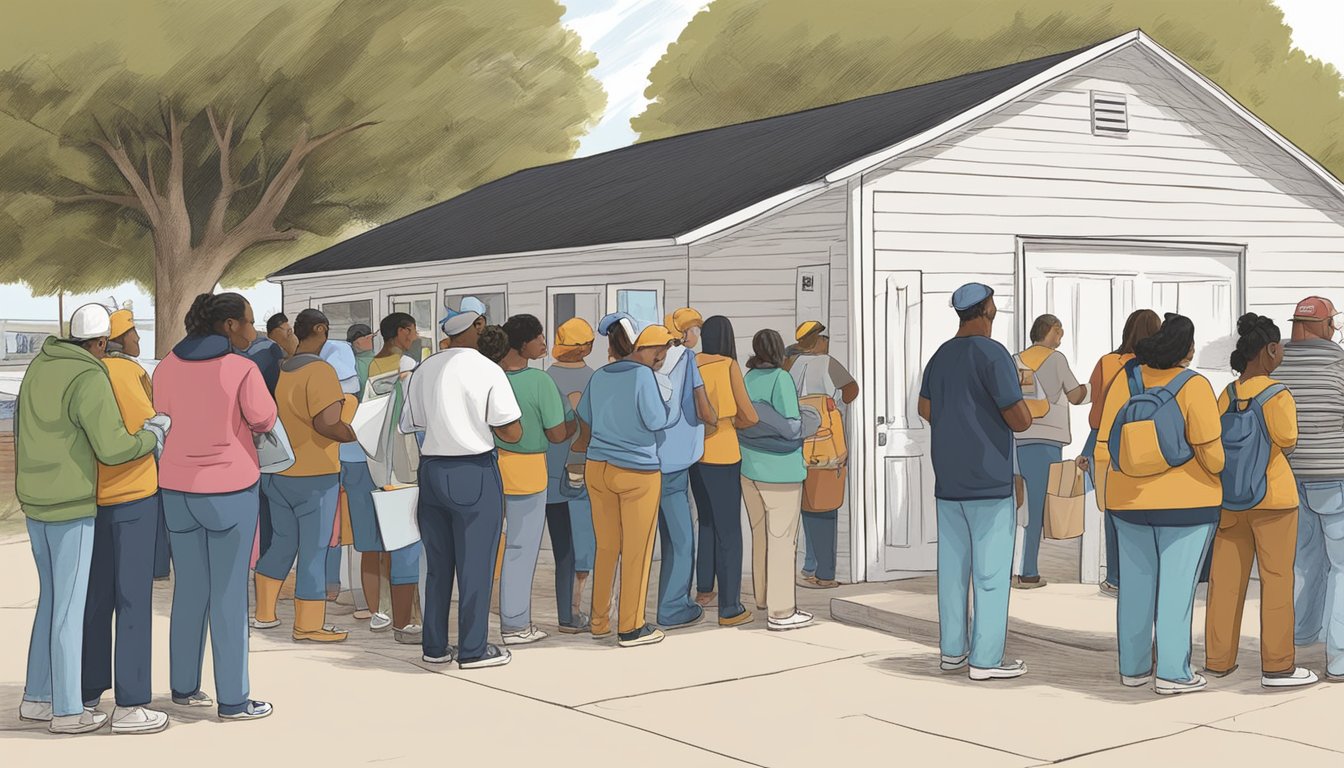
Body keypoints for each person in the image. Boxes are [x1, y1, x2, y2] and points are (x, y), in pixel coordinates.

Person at [16, 303, 159, 735]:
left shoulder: (41, 366)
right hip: (71, 502)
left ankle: (37, 699)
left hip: (35, 501)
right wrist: (152, 436)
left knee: (50, 602)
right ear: (100, 343)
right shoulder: (89, 375)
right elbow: (113, 448)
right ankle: (67, 712)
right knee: (69, 608)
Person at [154, 292, 276, 721]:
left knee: (189, 591)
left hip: (175, 490)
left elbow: (161, 418)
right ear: (228, 326)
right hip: (229, 488)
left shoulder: (166, 366)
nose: (253, 329)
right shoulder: (241, 368)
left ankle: (184, 688)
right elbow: (263, 419)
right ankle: (234, 700)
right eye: (248, 321)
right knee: (227, 595)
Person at [1097, 313, 1221, 695]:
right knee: (1176, 590)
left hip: (1127, 500)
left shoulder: (1126, 379)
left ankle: (1132, 669)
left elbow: (1105, 443)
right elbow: (1213, 457)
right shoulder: (1195, 385)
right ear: (1186, 349)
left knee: (1135, 588)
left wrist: (1107, 498)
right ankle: (1172, 672)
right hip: (1187, 505)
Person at [917, 283, 1031, 681]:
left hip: (948, 480)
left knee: (951, 573)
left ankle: (952, 653)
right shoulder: (993, 354)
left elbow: (925, 408)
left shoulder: (941, 356)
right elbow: (1019, 419)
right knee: (991, 574)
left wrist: (958, 422)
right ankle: (985, 660)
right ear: (985, 310)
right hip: (989, 479)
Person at [400, 308, 522, 669]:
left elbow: (412, 423)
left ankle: (435, 647)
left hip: (432, 470)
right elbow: (511, 430)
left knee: (438, 566)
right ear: (476, 329)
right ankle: (473, 650)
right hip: (473, 470)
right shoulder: (487, 369)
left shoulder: (425, 369)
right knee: (476, 565)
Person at [1203, 314, 1316, 688]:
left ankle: (1218, 660)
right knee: (1277, 580)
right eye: (1279, 346)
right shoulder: (1278, 393)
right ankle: (1278, 666)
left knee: (1226, 582)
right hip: (1274, 500)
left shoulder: (1228, 394)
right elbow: (1288, 439)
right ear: (1269, 350)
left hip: (1231, 501)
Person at [82, 309, 169, 734]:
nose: (139, 339)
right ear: (119, 339)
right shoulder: (127, 372)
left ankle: (87, 691)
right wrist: (159, 429)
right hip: (133, 492)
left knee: (96, 597)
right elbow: (141, 427)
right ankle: (132, 703)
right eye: (135, 332)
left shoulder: (88, 372)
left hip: (91, 496)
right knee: (133, 599)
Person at [253, 309, 358, 644]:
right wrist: (353, 433)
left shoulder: (281, 369)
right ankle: (308, 625)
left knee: (283, 542)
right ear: (321, 330)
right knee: (314, 550)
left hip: (278, 472)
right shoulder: (321, 372)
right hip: (315, 474)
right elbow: (327, 423)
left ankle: (265, 613)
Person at [575, 318, 681, 647]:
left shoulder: (600, 375)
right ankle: (631, 626)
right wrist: (672, 401)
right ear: (643, 347)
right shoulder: (644, 377)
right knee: (637, 550)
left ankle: (599, 620)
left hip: (598, 467)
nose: (663, 354)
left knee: (606, 548)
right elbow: (657, 420)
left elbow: (585, 414)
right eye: (660, 348)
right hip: (636, 470)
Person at [495, 315, 575, 645]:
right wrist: (576, 424)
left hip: (491, 468)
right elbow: (557, 434)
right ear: (522, 343)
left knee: (491, 547)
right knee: (520, 549)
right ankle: (515, 624)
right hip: (528, 471)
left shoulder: (491, 376)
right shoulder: (540, 382)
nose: (544, 343)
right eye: (538, 337)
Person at [1276, 296, 1344, 678]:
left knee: (1303, 560)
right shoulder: (1340, 364)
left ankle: (1300, 637)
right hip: (1334, 475)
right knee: (1342, 567)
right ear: (1325, 326)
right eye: (1332, 322)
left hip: (1286, 477)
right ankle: (1339, 657)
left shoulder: (1275, 362)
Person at [1077, 310, 1162, 597]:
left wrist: (1087, 449)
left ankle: (1115, 577)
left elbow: (1097, 405)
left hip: (1104, 440)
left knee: (1113, 510)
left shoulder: (1107, 362)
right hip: (1145, 440)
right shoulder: (1157, 366)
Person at [351, 313, 423, 638]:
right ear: (401, 333)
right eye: (412, 329)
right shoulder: (405, 363)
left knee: (373, 541)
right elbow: (412, 410)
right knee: (403, 539)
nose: (416, 334)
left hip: (370, 458)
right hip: (400, 456)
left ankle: (379, 609)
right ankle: (408, 615)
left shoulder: (366, 365)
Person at [740, 328, 815, 632]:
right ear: (779, 352)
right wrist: (814, 419)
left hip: (749, 467)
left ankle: (763, 599)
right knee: (783, 540)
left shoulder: (748, 379)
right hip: (780, 472)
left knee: (761, 538)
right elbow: (792, 428)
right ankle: (782, 611)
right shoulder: (781, 379)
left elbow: (746, 420)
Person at [1011, 314, 1088, 590]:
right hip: (1046, 443)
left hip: (1017, 440)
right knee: (1038, 508)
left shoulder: (1015, 359)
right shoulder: (1057, 360)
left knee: (1017, 506)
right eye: (1059, 331)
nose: (1062, 337)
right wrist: (1096, 389)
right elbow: (1076, 396)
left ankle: (1007, 567)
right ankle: (1028, 572)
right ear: (1050, 331)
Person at [691, 316, 758, 624]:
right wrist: (734, 424)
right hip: (724, 452)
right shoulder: (728, 364)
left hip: (695, 454)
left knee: (705, 521)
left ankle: (704, 590)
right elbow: (749, 414)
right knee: (729, 529)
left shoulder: (691, 363)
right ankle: (730, 607)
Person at [654, 307, 717, 630]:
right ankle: (673, 606)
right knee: (680, 539)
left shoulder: (652, 359)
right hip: (677, 458)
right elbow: (700, 403)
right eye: (695, 329)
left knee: (659, 535)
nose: (698, 336)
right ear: (684, 332)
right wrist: (714, 419)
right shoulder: (687, 360)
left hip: (650, 457)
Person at [787, 320, 858, 590]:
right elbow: (852, 390)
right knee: (826, 506)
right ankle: (825, 574)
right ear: (816, 340)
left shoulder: (790, 365)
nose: (827, 340)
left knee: (808, 504)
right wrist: (837, 404)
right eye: (823, 336)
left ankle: (809, 565)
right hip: (826, 448)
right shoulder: (827, 362)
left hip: (799, 445)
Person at [545, 318, 599, 632]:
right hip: (585, 470)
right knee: (585, 543)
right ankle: (578, 609)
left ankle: (567, 612)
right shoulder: (595, 378)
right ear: (586, 347)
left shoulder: (545, 378)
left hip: (549, 473)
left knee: (562, 546)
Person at [240, 312, 293, 564]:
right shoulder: (271, 349)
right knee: (270, 499)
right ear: (275, 331)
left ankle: (256, 556)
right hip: (266, 428)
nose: (289, 333)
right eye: (286, 329)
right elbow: (279, 386)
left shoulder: (237, 350)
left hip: (242, 431)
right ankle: (266, 557)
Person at [321, 337, 362, 603]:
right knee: (352, 528)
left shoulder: (321, 397)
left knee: (330, 528)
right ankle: (350, 590)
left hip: (327, 465)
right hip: (354, 462)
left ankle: (330, 584)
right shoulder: (354, 400)